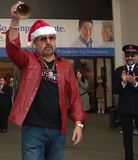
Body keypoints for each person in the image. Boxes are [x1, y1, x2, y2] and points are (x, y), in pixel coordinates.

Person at [6, 2, 88, 159]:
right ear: (35, 42)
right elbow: (12, 49)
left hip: (58, 130)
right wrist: (15, 21)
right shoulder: (27, 59)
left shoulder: (65, 65)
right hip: (33, 130)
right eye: (43, 39)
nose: (48, 42)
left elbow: (75, 96)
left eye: (51, 38)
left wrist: (78, 124)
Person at [113, 44, 138, 160]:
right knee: (127, 137)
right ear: (125, 56)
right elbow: (115, 90)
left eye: (132, 55)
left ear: (136, 57)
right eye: (127, 55)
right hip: (125, 109)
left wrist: (134, 84)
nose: (130, 57)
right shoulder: (119, 71)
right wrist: (123, 83)